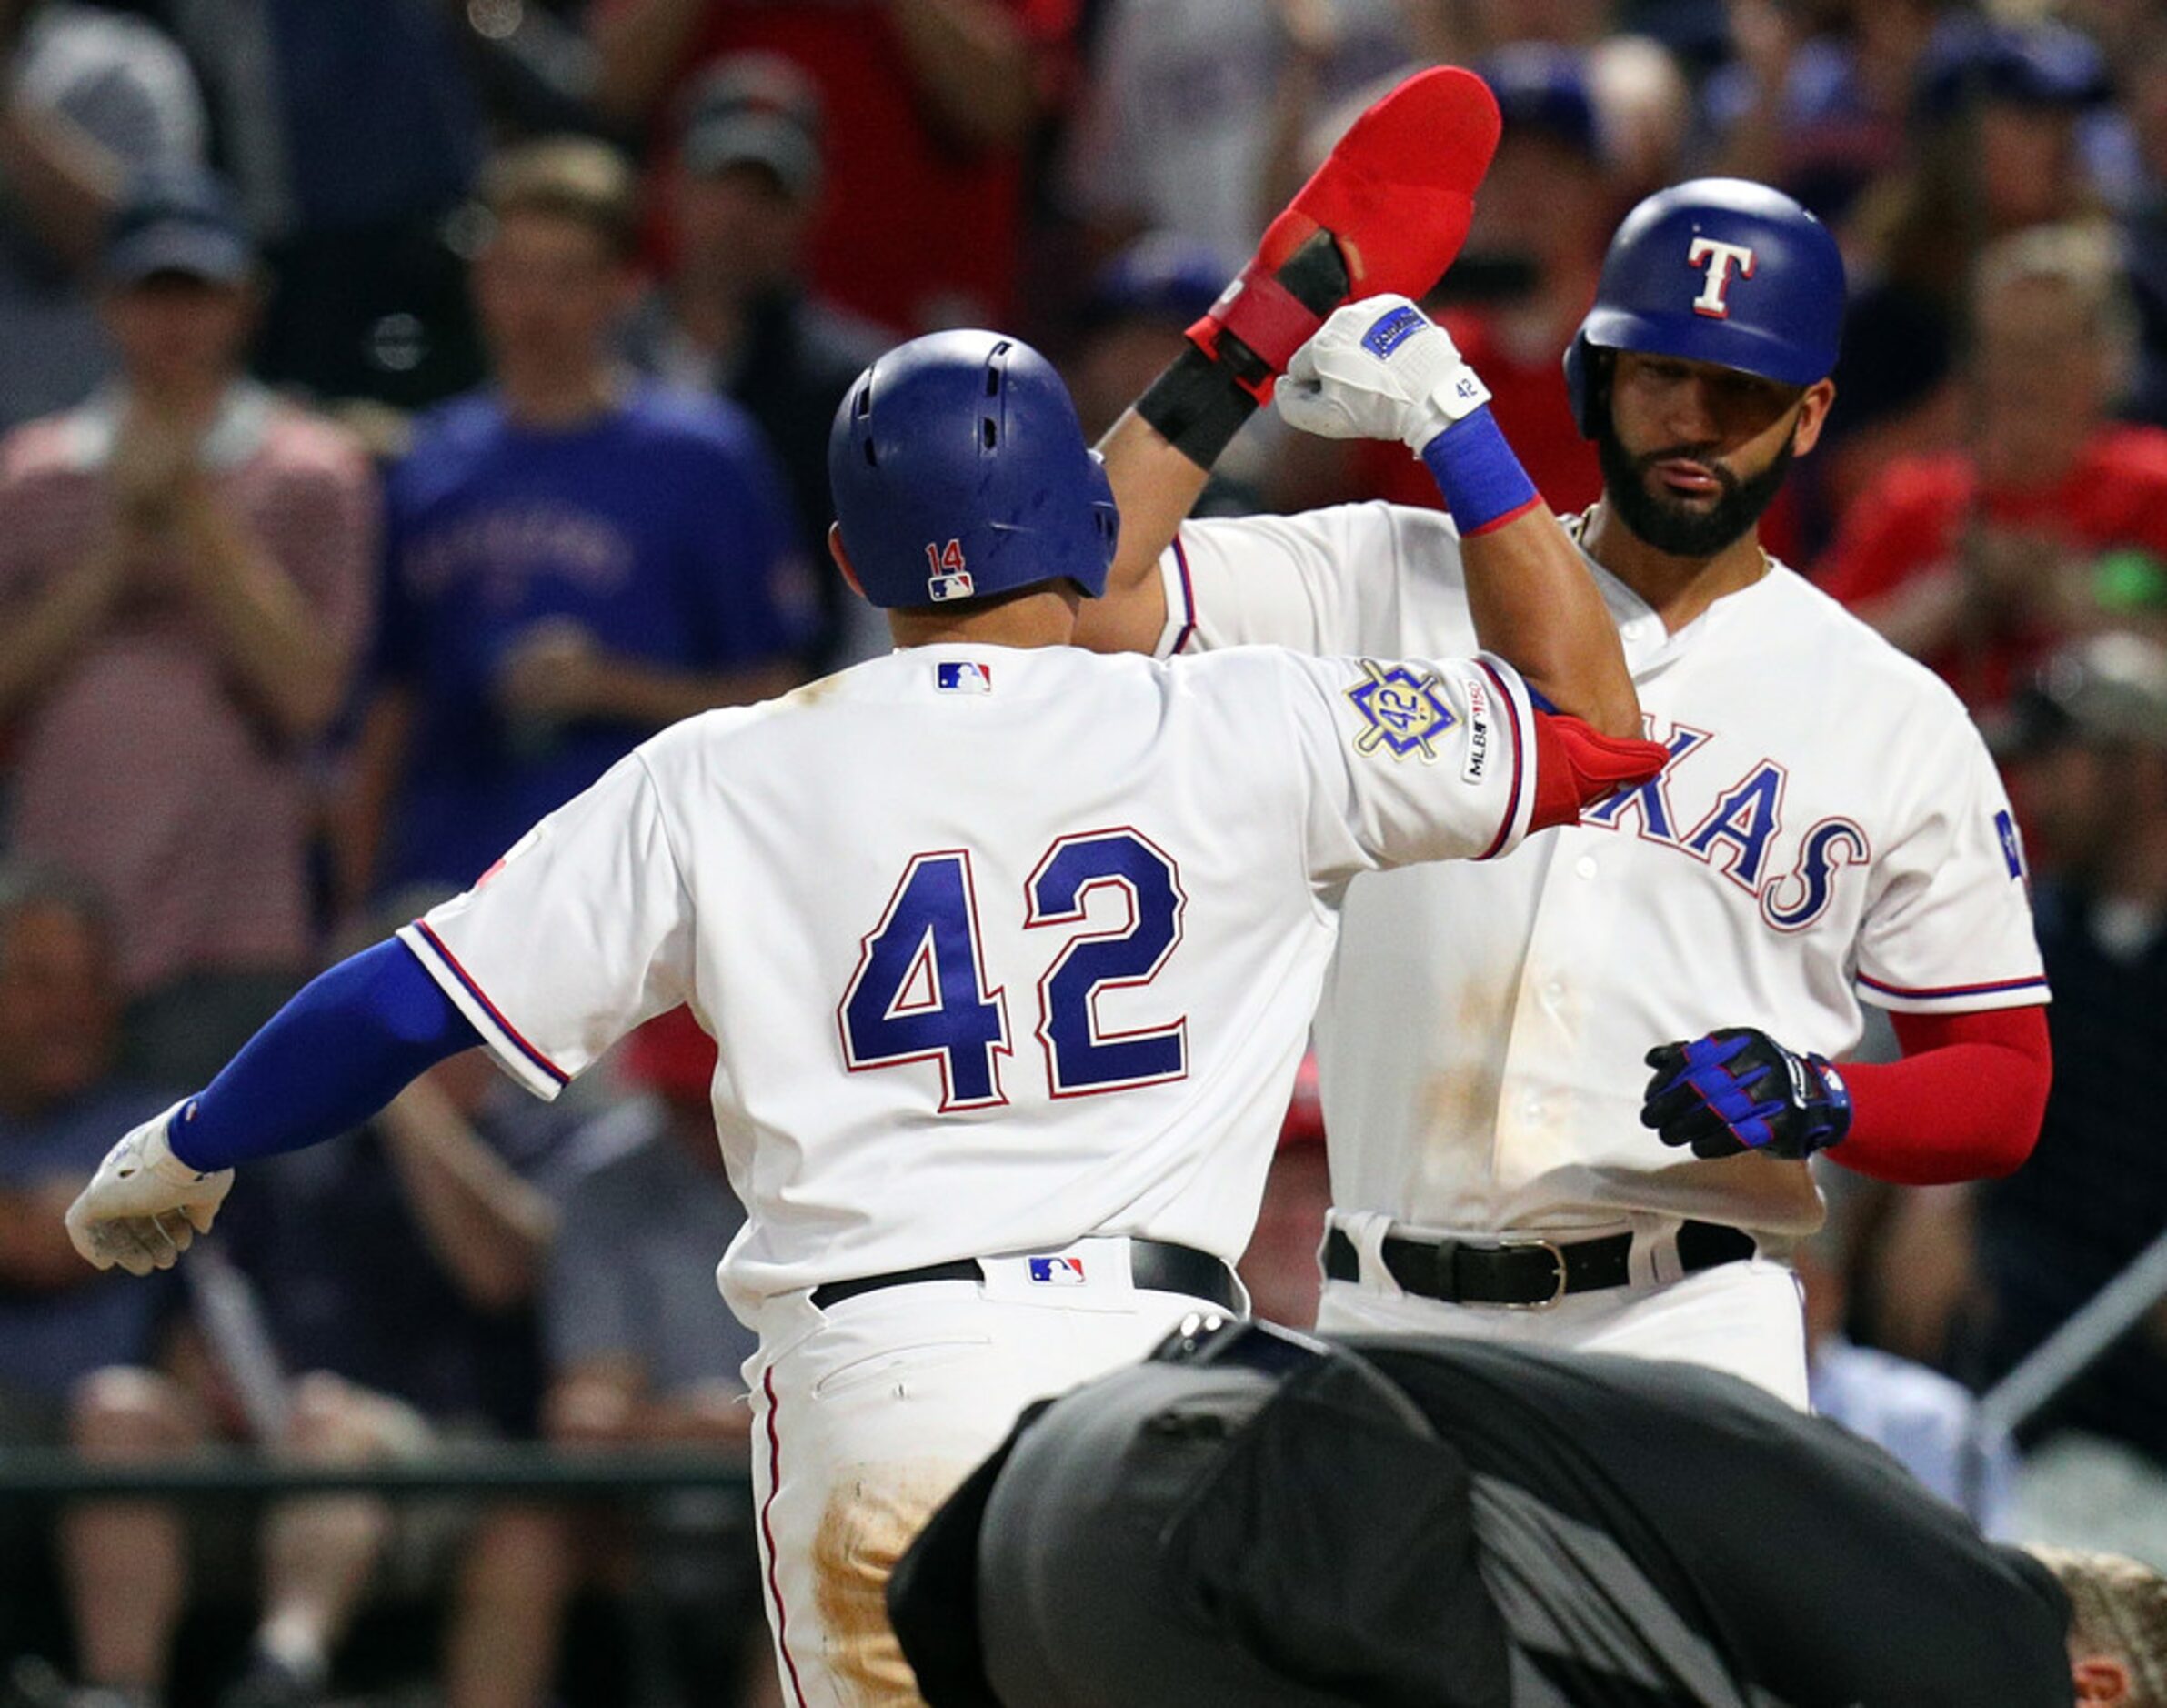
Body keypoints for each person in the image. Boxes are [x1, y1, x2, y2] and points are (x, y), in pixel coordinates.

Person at [62, 288, 1671, 1705]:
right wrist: (1450, 419)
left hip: (878, 1391)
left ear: (848, 558)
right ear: (1081, 530)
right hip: (1161, 1388)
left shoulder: (722, 767)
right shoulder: (1251, 720)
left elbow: (409, 1000)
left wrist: (201, 1131)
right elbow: (1595, 730)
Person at [1075, 149, 2054, 1408]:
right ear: (1592, 376)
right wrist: (1250, 331)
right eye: (1661, 374)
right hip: (1383, 1310)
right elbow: (1087, 589)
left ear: (1809, 417)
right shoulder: (1379, 576)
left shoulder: (1888, 714)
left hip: (1683, 1317)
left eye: (1740, 391)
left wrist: (1821, 1097)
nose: (1694, 420)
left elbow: (1999, 1082)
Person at [885, 1315, 2167, 1708]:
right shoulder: (1993, 1650)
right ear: (2097, 1687)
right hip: (1257, 1530)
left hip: (1072, 1484)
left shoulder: (1881, 1550)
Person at [338, 136, 811, 907]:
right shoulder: (432, 462)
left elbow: (779, 705)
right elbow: (391, 706)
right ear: (481, 282)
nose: (534, 307)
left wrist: (611, 684)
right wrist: (354, 905)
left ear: (621, 288)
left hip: (642, 890)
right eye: (514, 275)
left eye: (565, 278)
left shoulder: (700, 458)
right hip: (452, 891)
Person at [0, 164, 378, 1088]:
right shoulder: (32, 475)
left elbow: (310, 694)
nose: (173, 320)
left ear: (244, 302)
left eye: (197, 291)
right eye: (148, 291)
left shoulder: (313, 474)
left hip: (234, 925)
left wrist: (196, 516)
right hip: (56, 935)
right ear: (106, 304)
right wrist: (118, 551)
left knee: (213, 1216)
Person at [1820, 222, 2167, 718]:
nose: (2020, 375)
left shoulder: (2156, 485)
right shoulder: (1914, 500)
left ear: (2109, 360)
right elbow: (1817, 665)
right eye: (1999, 348)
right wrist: (1947, 602)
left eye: (2046, 348)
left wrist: (2070, 602)